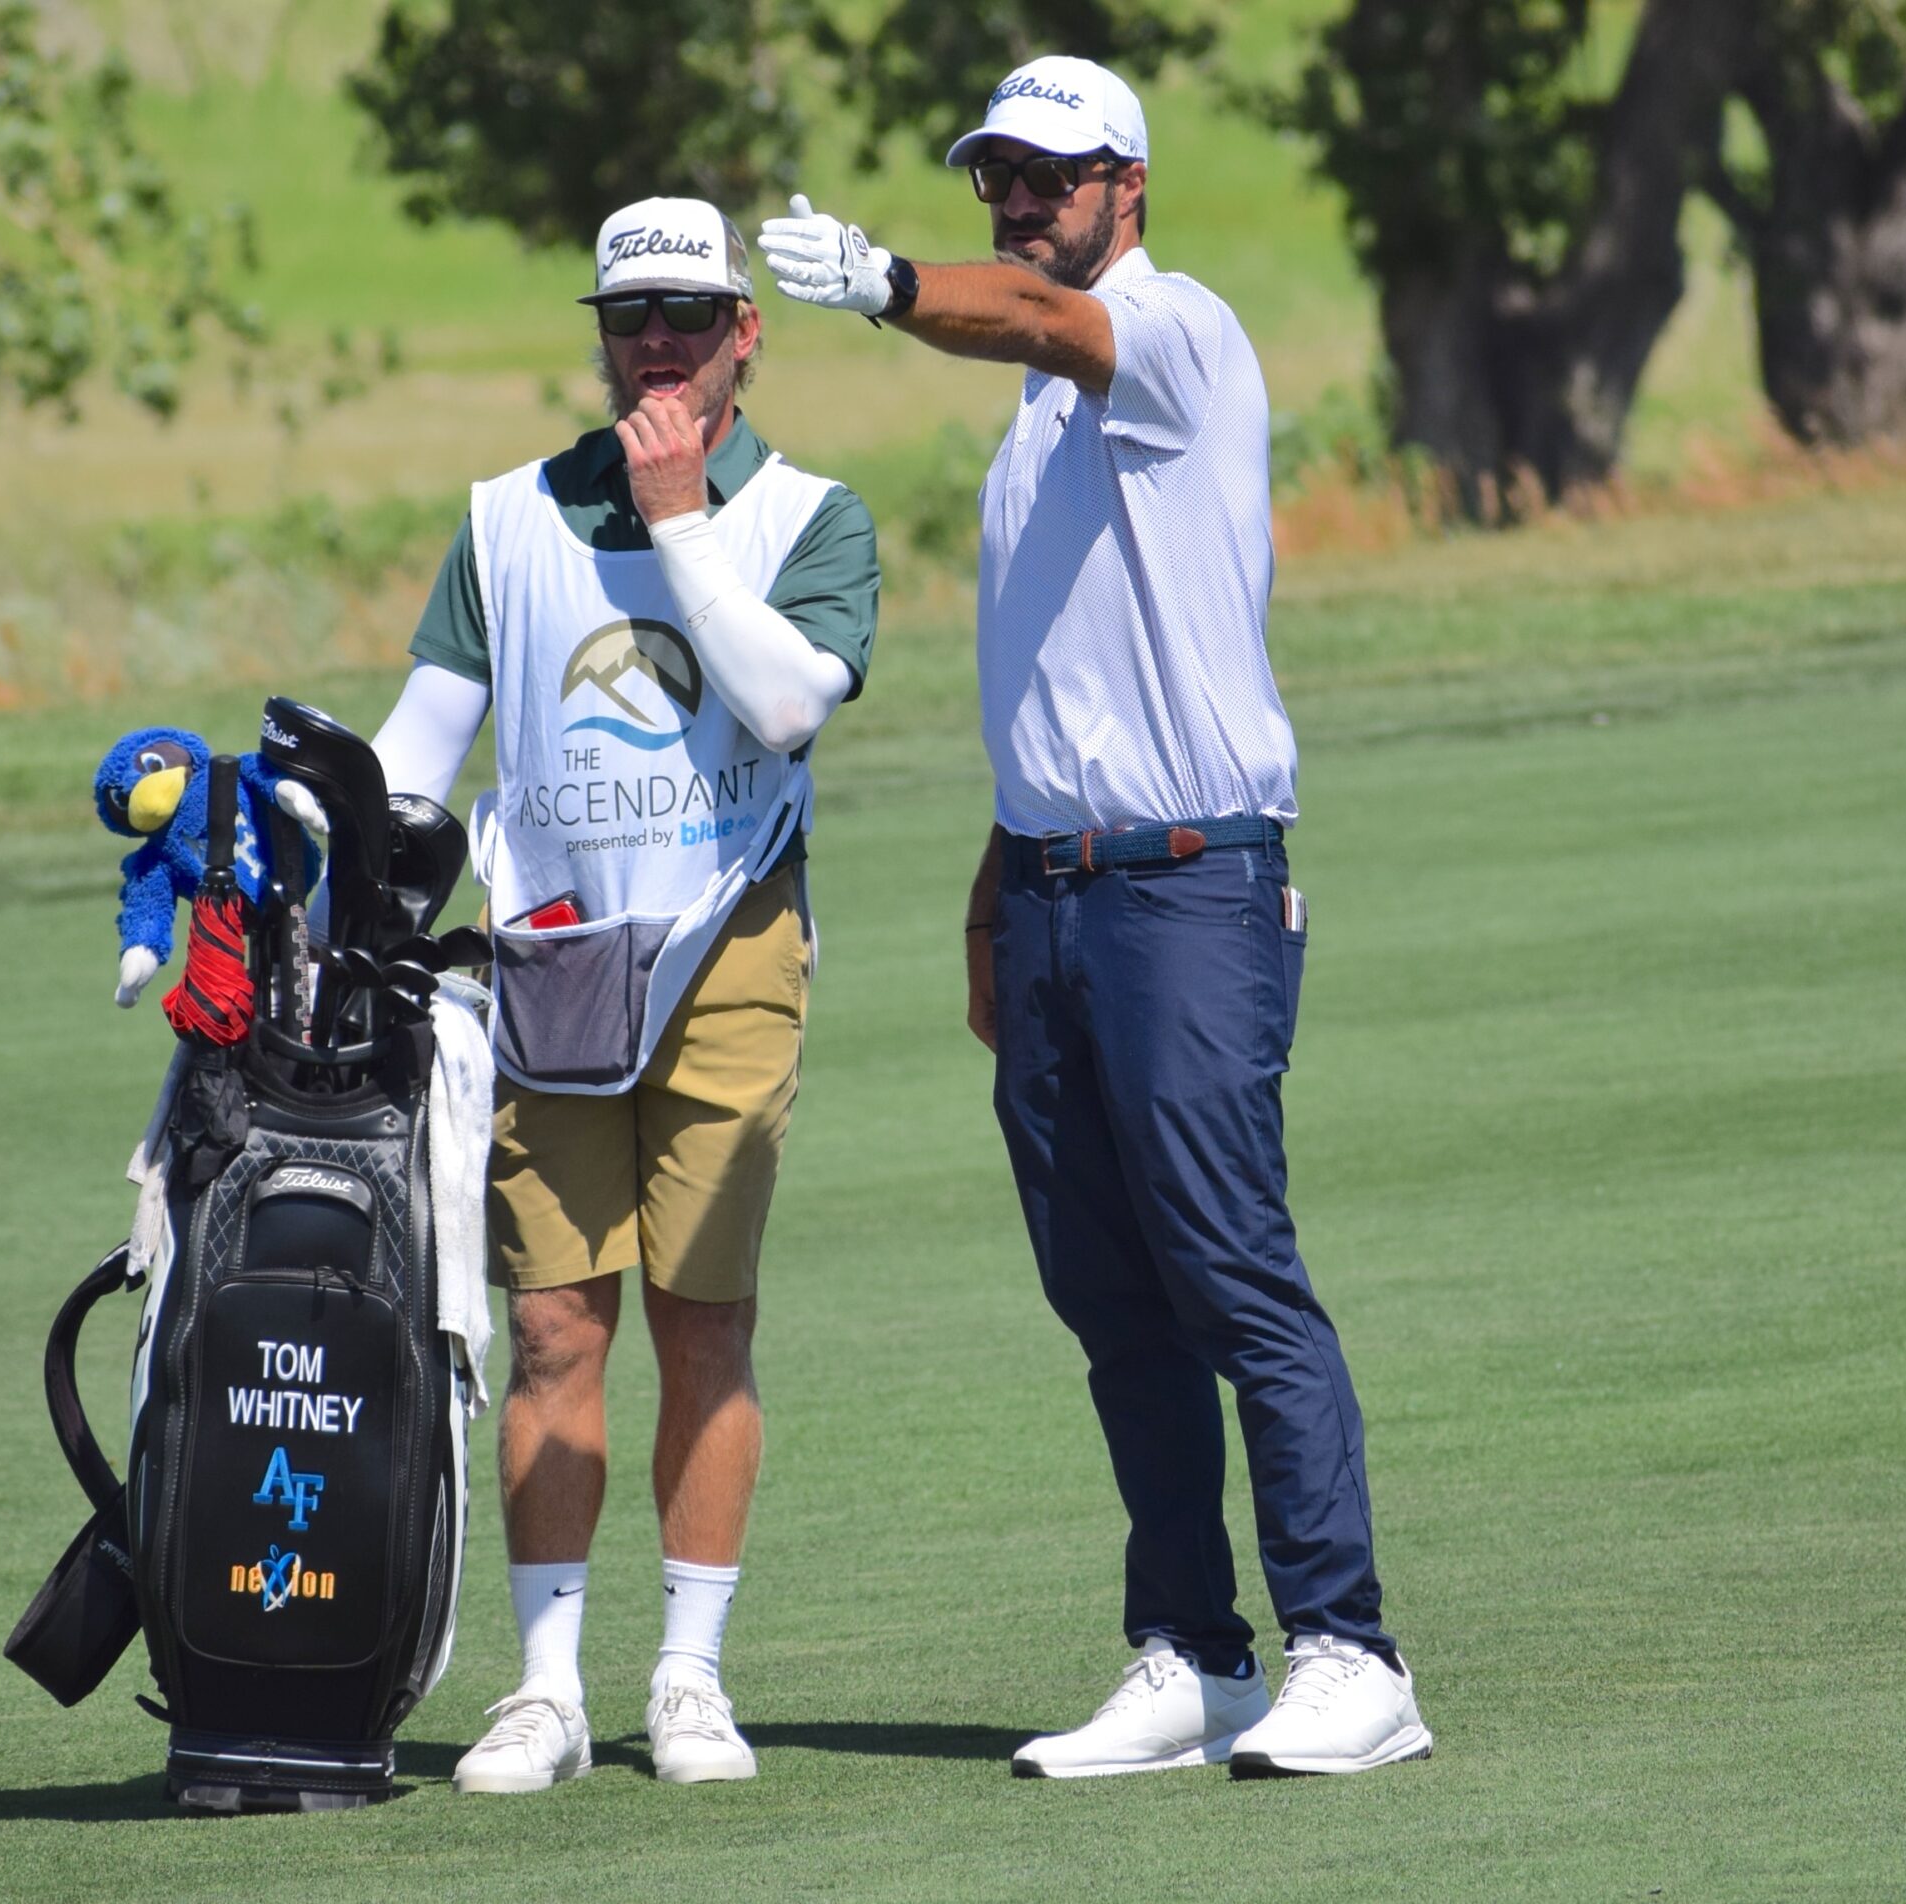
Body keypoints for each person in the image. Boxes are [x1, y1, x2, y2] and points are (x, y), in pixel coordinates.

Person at [758, 58, 1430, 1779]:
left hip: (1194, 882)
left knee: (1229, 1269)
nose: (1022, 203)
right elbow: (1064, 668)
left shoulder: (1173, 333)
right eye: (997, 179)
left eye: (1052, 179)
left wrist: (896, 285)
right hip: (1059, 896)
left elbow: (1042, 325)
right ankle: (1191, 1655)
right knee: (1110, 1299)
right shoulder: (1037, 417)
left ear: (1129, 185)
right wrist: (1003, 881)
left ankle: (1350, 1651)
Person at [367, 197, 879, 1791]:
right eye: (627, 319)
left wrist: (675, 522)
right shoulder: (506, 516)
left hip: (729, 949)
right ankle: (548, 1689)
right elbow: (416, 757)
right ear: (601, 331)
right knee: (553, 1328)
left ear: (747, 330)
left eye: (687, 317)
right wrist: (316, 864)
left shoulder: (809, 517)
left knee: (704, 1322)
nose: (654, 345)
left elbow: (787, 705)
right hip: (555, 959)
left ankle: (689, 1678)